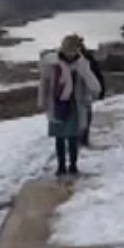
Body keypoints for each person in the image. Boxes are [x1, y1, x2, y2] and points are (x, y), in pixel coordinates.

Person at [37, 35, 102, 176]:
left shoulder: (82, 64)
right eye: (68, 50)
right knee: (59, 137)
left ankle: (73, 166)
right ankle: (61, 167)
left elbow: (91, 80)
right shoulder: (51, 63)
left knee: (72, 137)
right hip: (57, 104)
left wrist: (95, 91)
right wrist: (42, 101)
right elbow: (44, 83)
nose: (70, 53)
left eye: (72, 50)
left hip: (74, 105)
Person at [79, 38, 106, 148]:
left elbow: (96, 74)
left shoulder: (86, 58)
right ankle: (81, 141)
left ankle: (80, 141)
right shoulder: (86, 58)